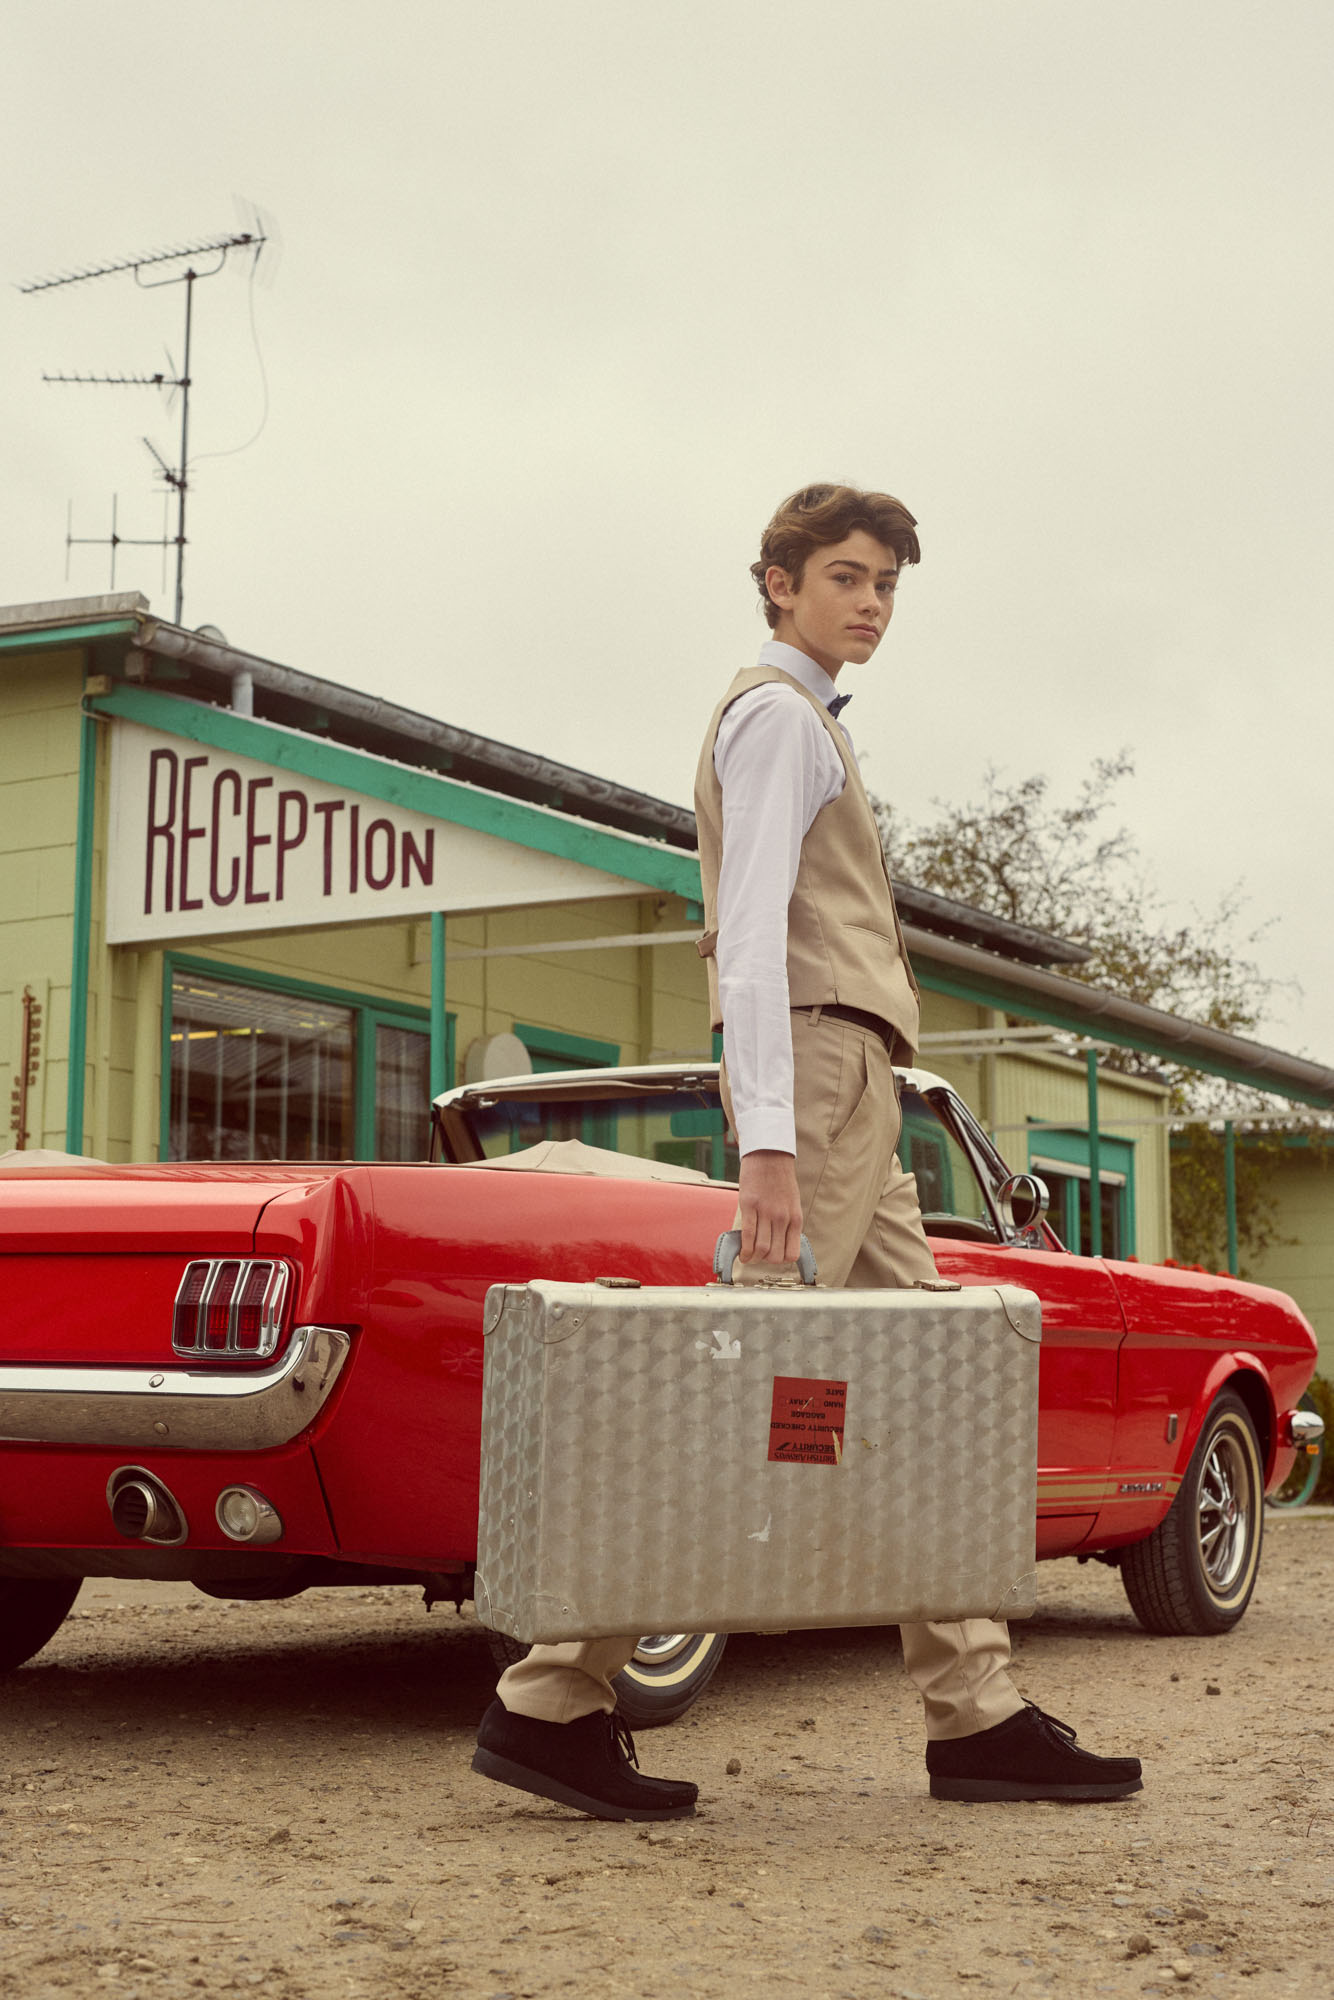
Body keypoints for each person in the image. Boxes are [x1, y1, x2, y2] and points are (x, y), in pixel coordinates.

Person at [472, 483, 1143, 1819]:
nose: (870, 601)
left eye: (886, 583)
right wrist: (769, 1145)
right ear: (776, 583)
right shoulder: (778, 718)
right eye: (844, 576)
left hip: (856, 1086)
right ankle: (550, 1700)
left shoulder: (806, 720)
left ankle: (977, 1712)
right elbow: (756, 930)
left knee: (929, 1389)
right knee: (736, 1390)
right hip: (819, 1077)